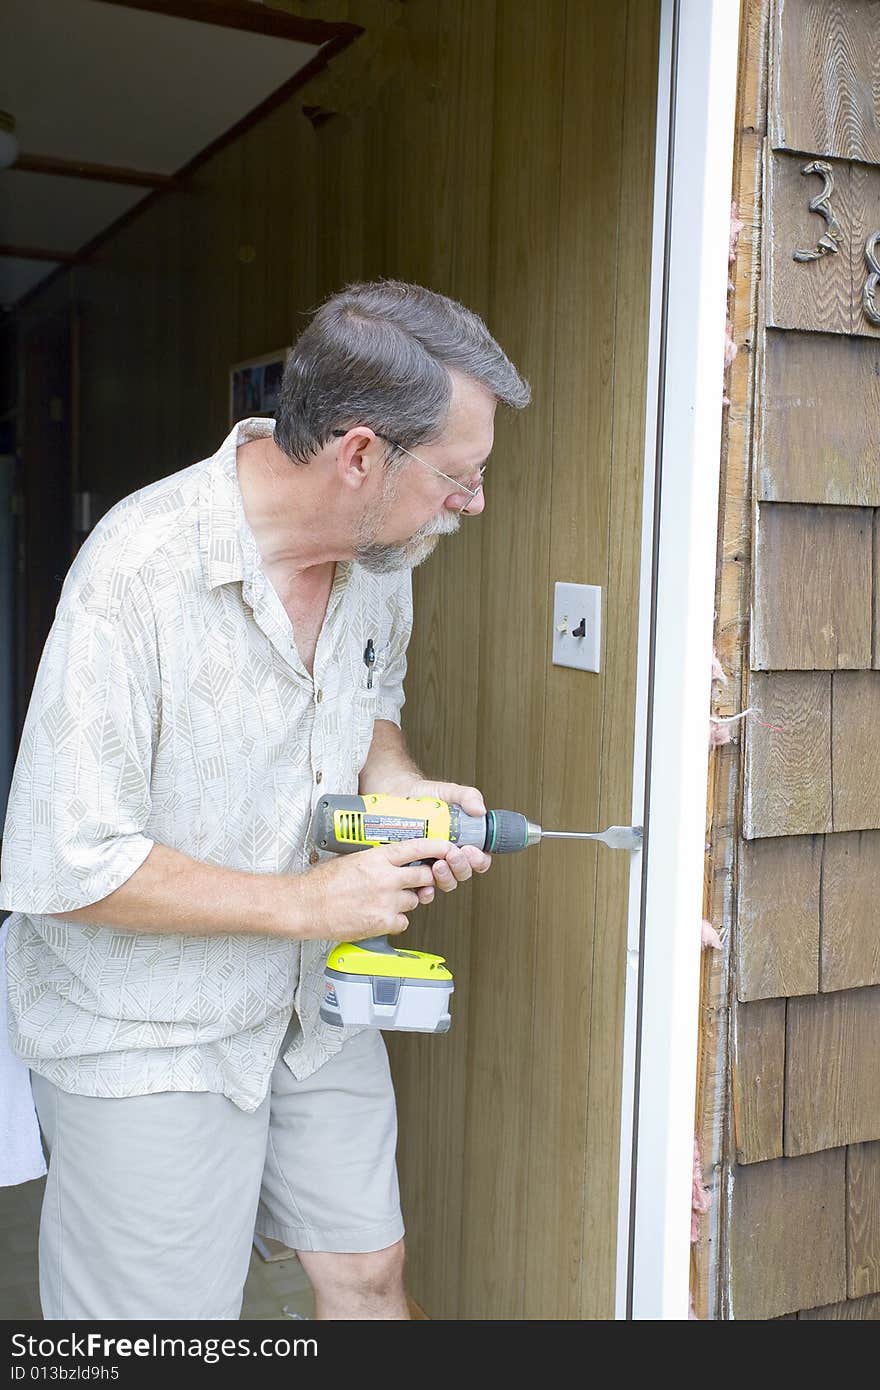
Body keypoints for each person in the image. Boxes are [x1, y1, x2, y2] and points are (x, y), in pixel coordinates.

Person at [0, 280, 531, 1321]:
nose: (472, 503)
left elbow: (370, 700)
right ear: (361, 454)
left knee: (367, 1275)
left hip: (309, 1000)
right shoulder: (136, 571)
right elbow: (67, 864)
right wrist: (309, 904)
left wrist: (400, 785)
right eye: (459, 477)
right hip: (145, 1027)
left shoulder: (381, 559)